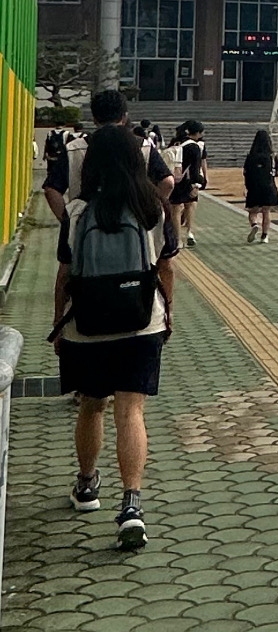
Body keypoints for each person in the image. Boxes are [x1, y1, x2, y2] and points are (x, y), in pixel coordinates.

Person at [51, 124, 174, 551]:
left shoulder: (77, 211)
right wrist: (168, 313)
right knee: (131, 411)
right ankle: (132, 506)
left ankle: (87, 485)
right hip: (141, 322)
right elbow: (166, 267)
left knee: (91, 406)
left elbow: (64, 274)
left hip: (86, 324)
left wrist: (58, 324)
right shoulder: (152, 209)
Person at [43, 90, 175, 226]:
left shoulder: (74, 148)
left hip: (87, 226)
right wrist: (149, 209)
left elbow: (51, 190)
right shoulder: (143, 146)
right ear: (124, 117)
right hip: (135, 225)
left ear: (94, 118)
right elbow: (168, 182)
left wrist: (68, 222)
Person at [171, 122, 207, 248]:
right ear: (197, 133)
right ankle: (189, 232)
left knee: (175, 209)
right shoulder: (194, 147)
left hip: (175, 179)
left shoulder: (176, 142)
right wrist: (197, 184)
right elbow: (195, 169)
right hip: (188, 180)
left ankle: (177, 239)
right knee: (190, 205)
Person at [243, 128, 278, 243]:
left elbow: (246, 173)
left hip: (254, 187)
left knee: (253, 211)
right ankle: (265, 236)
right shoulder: (272, 157)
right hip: (269, 187)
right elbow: (276, 172)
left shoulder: (251, 157)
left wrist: (246, 186)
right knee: (266, 211)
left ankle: (254, 224)